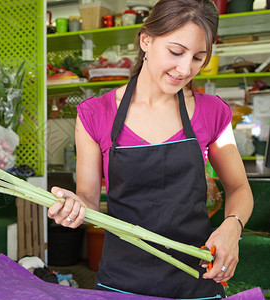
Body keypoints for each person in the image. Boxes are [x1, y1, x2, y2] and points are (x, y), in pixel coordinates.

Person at [48, 0, 254, 298]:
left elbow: (239, 188)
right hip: (122, 282)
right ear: (146, 40)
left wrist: (231, 228)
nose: (185, 69)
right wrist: (74, 207)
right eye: (176, 51)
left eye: (198, 57)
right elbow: (89, 199)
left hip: (197, 278)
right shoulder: (96, 114)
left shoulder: (213, 112)